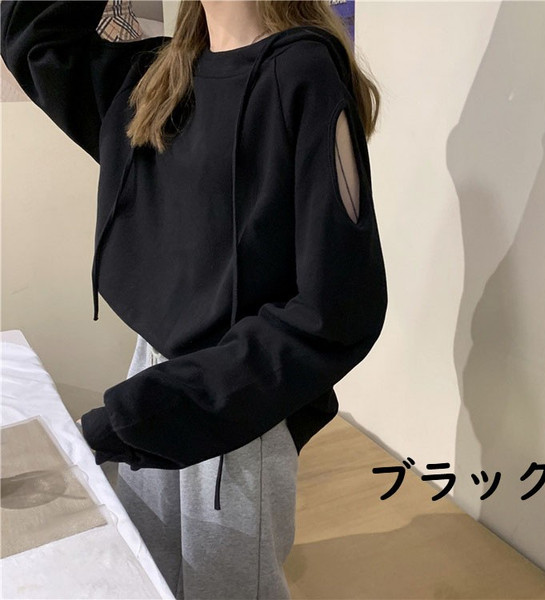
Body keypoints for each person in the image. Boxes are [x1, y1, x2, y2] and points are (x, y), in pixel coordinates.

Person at [1, 0, 388, 597]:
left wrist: (136, 416)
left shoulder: (300, 73)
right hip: (156, 377)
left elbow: (336, 310)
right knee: (154, 576)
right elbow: (32, 34)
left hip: (236, 405)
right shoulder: (161, 77)